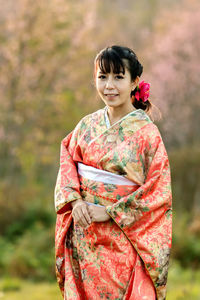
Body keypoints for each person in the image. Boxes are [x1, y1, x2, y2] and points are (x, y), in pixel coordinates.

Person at [54, 45, 172, 300]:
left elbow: (158, 192)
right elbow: (67, 160)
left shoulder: (147, 133)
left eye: (118, 77)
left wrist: (110, 212)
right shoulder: (87, 125)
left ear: (134, 82)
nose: (109, 85)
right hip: (83, 234)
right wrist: (74, 202)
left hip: (122, 236)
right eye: (102, 76)